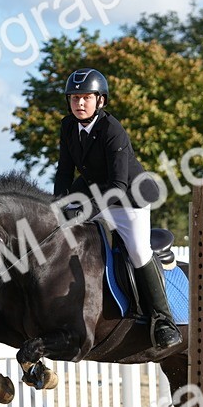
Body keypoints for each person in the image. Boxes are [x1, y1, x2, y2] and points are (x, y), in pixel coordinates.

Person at [53, 67, 181, 349]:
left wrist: (84, 211)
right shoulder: (67, 126)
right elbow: (64, 172)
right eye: (74, 98)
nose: (79, 103)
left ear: (100, 100)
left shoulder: (112, 129)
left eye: (86, 97)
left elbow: (118, 185)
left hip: (128, 197)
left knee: (137, 250)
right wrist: (59, 205)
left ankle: (163, 320)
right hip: (94, 190)